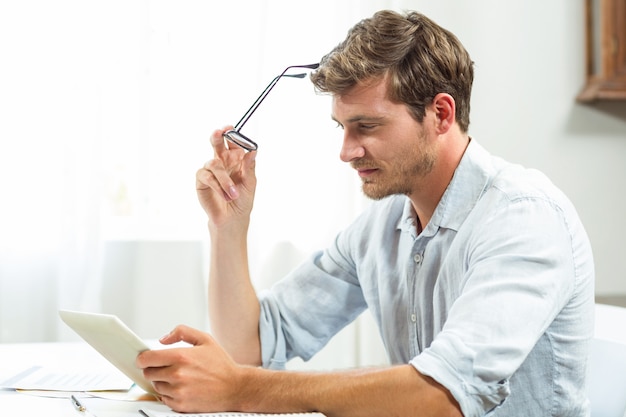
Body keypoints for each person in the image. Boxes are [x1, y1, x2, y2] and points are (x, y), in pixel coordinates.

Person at [136, 10, 595, 417]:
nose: (346, 151)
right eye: (342, 127)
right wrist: (228, 226)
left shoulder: (523, 219)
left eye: (367, 126)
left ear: (440, 113)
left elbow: (444, 396)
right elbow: (250, 347)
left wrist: (240, 389)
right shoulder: (382, 226)